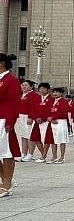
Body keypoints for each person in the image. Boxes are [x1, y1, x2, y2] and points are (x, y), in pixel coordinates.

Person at [0, 53, 21, 197]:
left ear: (1, 63)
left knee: (6, 152)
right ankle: (5, 179)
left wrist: (10, 121)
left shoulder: (11, 80)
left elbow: (14, 102)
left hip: (4, 120)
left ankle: (6, 184)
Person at [30, 82, 54, 163]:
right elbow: (33, 109)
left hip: (46, 122)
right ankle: (43, 154)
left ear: (47, 89)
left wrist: (43, 118)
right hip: (37, 121)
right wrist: (35, 118)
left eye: (44, 88)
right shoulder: (37, 98)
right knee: (35, 138)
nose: (42, 90)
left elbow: (50, 110)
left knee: (46, 139)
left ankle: (43, 156)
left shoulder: (51, 99)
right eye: (40, 88)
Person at [17, 79, 39, 161]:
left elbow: (34, 107)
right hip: (20, 117)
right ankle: (23, 153)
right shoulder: (20, 95)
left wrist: (31, 117)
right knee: (23, 135)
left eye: (26, 85)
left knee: (29, 136)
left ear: (31, 87)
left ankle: (30, 154)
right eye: (23, 85)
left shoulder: (34, 95)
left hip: (28, 117)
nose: (24, 87)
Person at [47, 87, 69, 164]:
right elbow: (48, 110)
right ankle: (54, 157)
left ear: (61, 93)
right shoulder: (51, 101)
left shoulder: (64, 101)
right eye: (54, 92)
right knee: (53, 140)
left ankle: (62, 157)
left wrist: (53, 117)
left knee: (61, 140)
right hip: (52, 122)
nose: (55, 94)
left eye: (57, 92)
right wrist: (50, 118)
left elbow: (63, 111)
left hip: (61, 122)